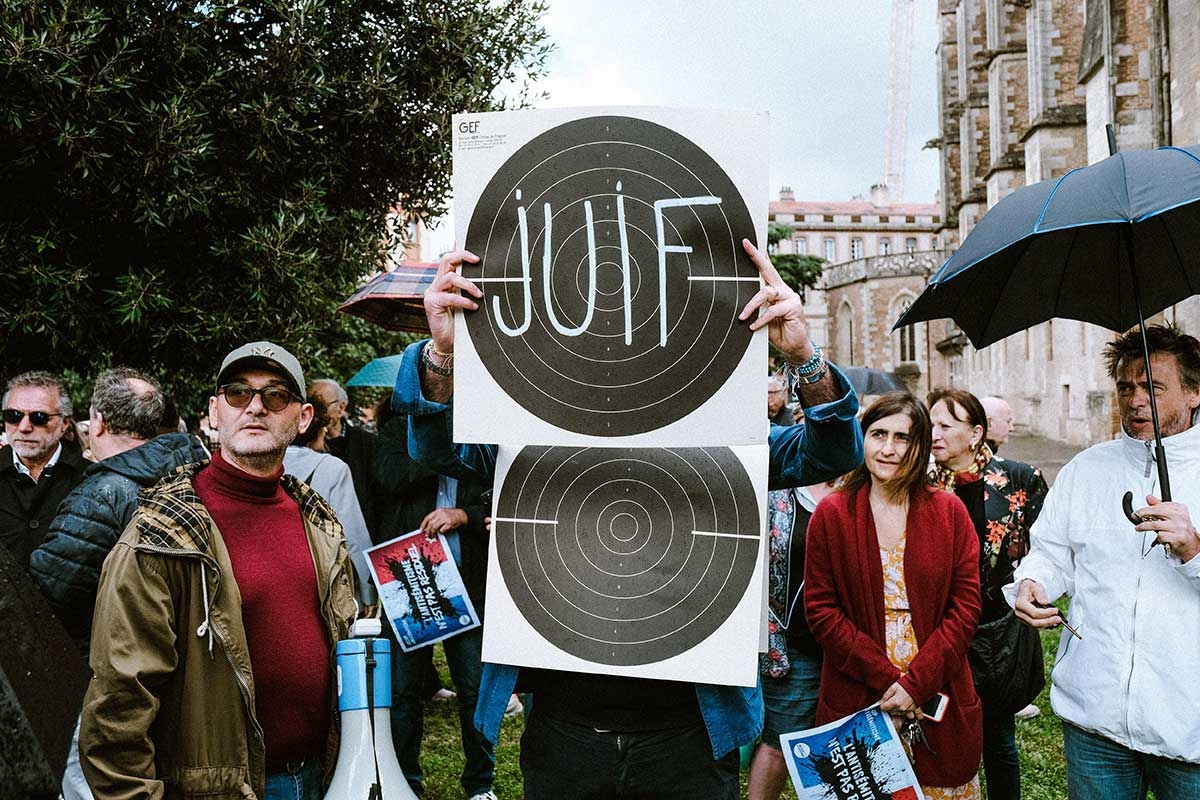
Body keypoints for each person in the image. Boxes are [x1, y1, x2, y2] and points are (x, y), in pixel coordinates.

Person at [394, 241, 863, 799]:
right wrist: (443, 355)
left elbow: (831, 454)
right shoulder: (535, 432)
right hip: (566, 730)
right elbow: (438, 448)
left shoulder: (721, 436)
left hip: (688, 730)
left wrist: (803, 355)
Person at [80, 342, 359, 800]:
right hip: (216, 788)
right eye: (237, 393)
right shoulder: (160, 536)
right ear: (214, 412)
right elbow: (118, 704)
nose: (254, 407)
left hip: (317, 776)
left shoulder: (317, 520)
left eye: (275, 396)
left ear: (303, 418)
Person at [1008, 324, 1200, 800]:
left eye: (1152, 387)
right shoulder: (1087, 469)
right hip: (1095, 720)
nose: (1135, 400)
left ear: (1195, 392)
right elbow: (1052, 552)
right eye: (1125, 386)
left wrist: (1194, 551)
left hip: (1190, 724)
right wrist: (1034, 582)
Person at [28, 368, 196, 800]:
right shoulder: (191, 477)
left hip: (102, 682)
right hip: (177, 677)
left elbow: (45, 597)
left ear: (96, 420)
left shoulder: (104, 491)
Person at [805, 392, 983, 799]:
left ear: (920, 446)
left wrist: (917, 685)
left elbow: (966, 606)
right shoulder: (831, 514)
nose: (888, 449)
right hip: (861, 690)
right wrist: (892, 684)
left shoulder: (949, 512)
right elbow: (821, 610)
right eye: (878, 434)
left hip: (937, 685)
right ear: (861, 439)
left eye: (903, 438)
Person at [928, 388, 1048, 800]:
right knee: (940, 733)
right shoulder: (920, 484)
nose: (934, 433)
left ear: (976, 432)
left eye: (946, 425)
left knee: (998, 738)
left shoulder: (1019, 479)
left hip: (997, 630)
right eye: (931, 424)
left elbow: (1046, 551)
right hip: (939, 627)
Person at [747, 480, 836, 800]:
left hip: (851, 644)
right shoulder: (782, 481)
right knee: (781, 742)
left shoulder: (867, 482)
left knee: (844, 745)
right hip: (794, 644)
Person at [283, 394, 377, 607]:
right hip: (323, 578)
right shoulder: (333, 468)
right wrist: (369, 594)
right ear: (318, 431)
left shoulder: (263, 463)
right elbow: (353, 535)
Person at [1, 370, 87, 570]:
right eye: (13, 416)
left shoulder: (90, 479)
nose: (23, 427)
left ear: (64, 423)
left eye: (39, 417)